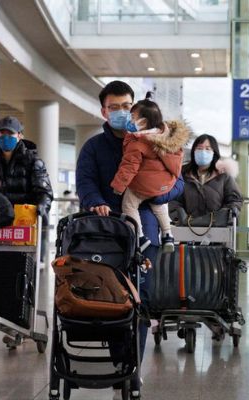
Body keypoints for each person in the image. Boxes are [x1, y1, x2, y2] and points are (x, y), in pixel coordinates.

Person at [76, 80, 184, 387]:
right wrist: (95, 201)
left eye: (127, 106)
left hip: (144, 228)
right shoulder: (94, 147)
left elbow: (179, 181)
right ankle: (118, 362)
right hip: (106, 231)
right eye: (115, 107)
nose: (122, 113)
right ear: (103, 110)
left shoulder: (158, 141)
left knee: (140, 298)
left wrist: (160, 194)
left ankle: (131, 370)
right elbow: (85, 181)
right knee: (111, 298)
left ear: (135, 107)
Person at [110, 95, 189, 253]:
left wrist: (119, 186)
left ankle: (139, 236)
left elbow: (129, 166)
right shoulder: (167, 138)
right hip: (164, 185)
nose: (129, 119)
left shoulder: (138, 142)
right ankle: (167, 235)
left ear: (143, 122)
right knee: (159, 205)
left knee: (129, 205)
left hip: (143, 185)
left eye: (132, 117)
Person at [0, 116, 53, 223]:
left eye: (10, 134)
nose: (5, 137)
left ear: (20, 136)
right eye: (2, 133)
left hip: (23, 219)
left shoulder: (32, 161)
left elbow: (44, 192)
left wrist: (42, 207)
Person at [168, 134, 243, 221]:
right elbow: (174, 201)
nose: (203, 152)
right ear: (193, 151)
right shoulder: (183, 175)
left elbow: (235, 201)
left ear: (214, 152)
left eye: (208, 149)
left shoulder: (224, 177)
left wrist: (222, 217)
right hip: (188, 228)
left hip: (217, 229)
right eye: (199, 148)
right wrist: (180, 217)